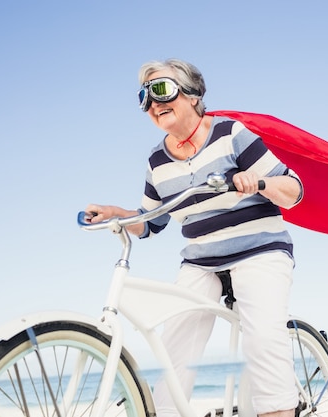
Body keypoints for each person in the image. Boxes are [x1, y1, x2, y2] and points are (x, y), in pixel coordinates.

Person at [85, 58, 303, 417]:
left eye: (161, 89)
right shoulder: (157, 161)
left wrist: (258, 183)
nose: (153, 103)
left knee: (263, 341)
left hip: (259, 250)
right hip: (201, 261)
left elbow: (293, 189)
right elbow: (152, 222)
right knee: (175, 347)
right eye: (145, 96)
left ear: (192, 94)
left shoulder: (230, 134)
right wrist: (118, 214)